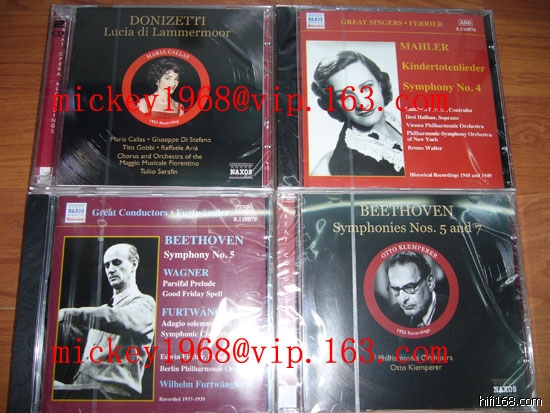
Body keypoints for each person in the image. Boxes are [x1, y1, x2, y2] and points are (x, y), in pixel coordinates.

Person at [55, 243, 156, 399]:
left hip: (112, 396)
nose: (110, 269)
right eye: (107, 265)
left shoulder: (145, 304)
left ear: (134, 264)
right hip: (84, 392)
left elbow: (117, 318)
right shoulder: (102, 313)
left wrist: (68, 315)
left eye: (116, 262)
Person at [310, 50, 404, 176]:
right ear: (333, 103)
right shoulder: (354, 162)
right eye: (345, 96)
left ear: (380, 84)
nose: (362, 104)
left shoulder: (393, 118)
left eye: (366, 88)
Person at [384, 251, 447, 328]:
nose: (403, 299)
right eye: (396, 289)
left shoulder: (455, 311)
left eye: (409, 287)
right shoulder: (391, 316)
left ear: (430, 283)